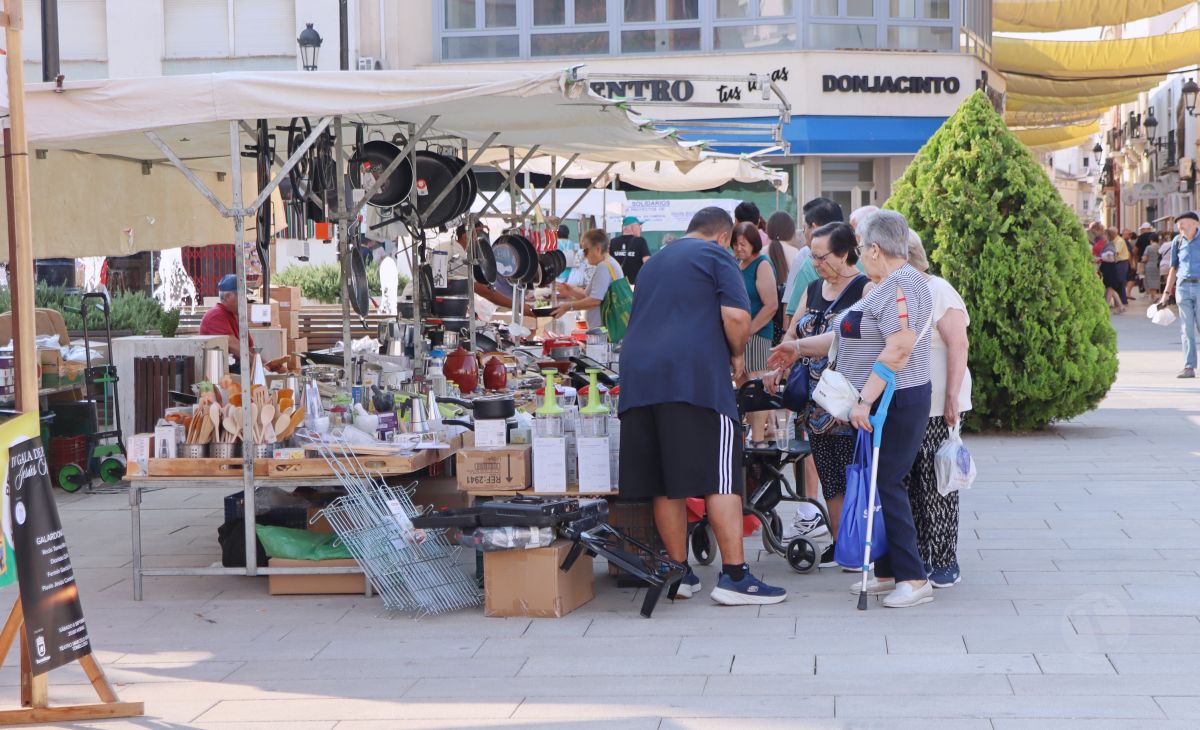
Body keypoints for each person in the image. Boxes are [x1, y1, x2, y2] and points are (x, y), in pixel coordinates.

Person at [619, 206, 787, 606]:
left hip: (639, 379)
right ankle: (735, 577)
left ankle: (678, 573)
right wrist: (738, 354)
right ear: (724, 236)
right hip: (694, 376)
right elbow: (736, 317)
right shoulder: (715, 255)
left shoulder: (654, 262)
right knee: (721, 475)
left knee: (666, 481)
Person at [829, 210, 935, 607]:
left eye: (860, 249)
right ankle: (889, 571)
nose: (859, 256)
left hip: (896, 398)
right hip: (894, 397)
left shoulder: (899, 287)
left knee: (888, 481)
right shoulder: (895, 283)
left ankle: (914, 579)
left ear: (875, 249)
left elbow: (899, 348)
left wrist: (864, 400)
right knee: (882, 482)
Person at [764, 222, 870, 561]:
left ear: (844, 253)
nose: (815, 263)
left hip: (849, 402)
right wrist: (779, 366)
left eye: (822, 257)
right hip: (814, 404)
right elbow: (792, 335)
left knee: (855, 476)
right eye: (812, 256)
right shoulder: (812, 288)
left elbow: (861, 340)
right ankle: (841, 545)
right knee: (830, 478)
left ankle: (861, 544)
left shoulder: (865, 289)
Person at [902, 231, 971, 588]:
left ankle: (945, 559)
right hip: (909, 402)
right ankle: (920, 555)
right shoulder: (897, 291)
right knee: (912, 482)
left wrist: (952, 399)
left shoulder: (938, 289)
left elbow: (959, 344)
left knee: (937, 480)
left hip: (938, 404)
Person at [784, 198, 845, 322]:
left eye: (804, 228)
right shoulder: (859, 261)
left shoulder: (808, 263)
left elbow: (792, 315)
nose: (816, 263)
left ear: (814, 228)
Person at [552, 228, 624, 330]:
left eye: (586, 250)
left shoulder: (604, 266)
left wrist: (568, 306)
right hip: (605, 329)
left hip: (604, 331)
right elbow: (591, 296)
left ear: (597, 249)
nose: (584, 255)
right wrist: (572, 291)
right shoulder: (610, 263)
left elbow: (595, 301)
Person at [732, 221, 778, 375]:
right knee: (739, 381)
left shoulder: (762, 264)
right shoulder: (738, 264)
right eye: (735, 244)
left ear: (753, 244)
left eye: (743, 244)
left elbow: (771, 305)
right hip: (740, 336)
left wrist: (749, 331)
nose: (738, 248)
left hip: (757, 335)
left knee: (754, 382)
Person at [1159, 211, 1200, 378]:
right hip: (1183, 287)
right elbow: (1173, 268)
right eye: (1178, 224)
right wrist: (1166, 293)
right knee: (1186, 329)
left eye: (1183, 223)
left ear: (1195, 224)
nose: (1180, 226)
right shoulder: (1178, 241)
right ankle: (1189, 366)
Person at [200, 274, 255, 365]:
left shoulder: (236, 316)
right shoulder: (215, 315)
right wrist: (262, 366)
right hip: (219, 369)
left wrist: (270, 365)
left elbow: (250, 349)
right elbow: (235, 346)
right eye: (242, 295)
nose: (245, 300)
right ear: (228, 297)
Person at [610, 216, 651, 284]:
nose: (640, 229)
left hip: (618, 285)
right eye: (639, 226)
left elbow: (609, 263)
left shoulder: (613, 242)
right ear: (632, 227)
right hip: (635, 283)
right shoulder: (640, 241)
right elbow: (647, 262)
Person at [1142, 231, 1162, 299]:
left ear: (1151, 240)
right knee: (1156, 280)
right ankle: (1154, 295)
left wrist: (1142, 259)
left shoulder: (1149, 247)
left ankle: (1153, 296)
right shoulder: (1160, 247)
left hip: (1149, 266)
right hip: (1157, 266)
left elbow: (1145, 258)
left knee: (1149, 281)